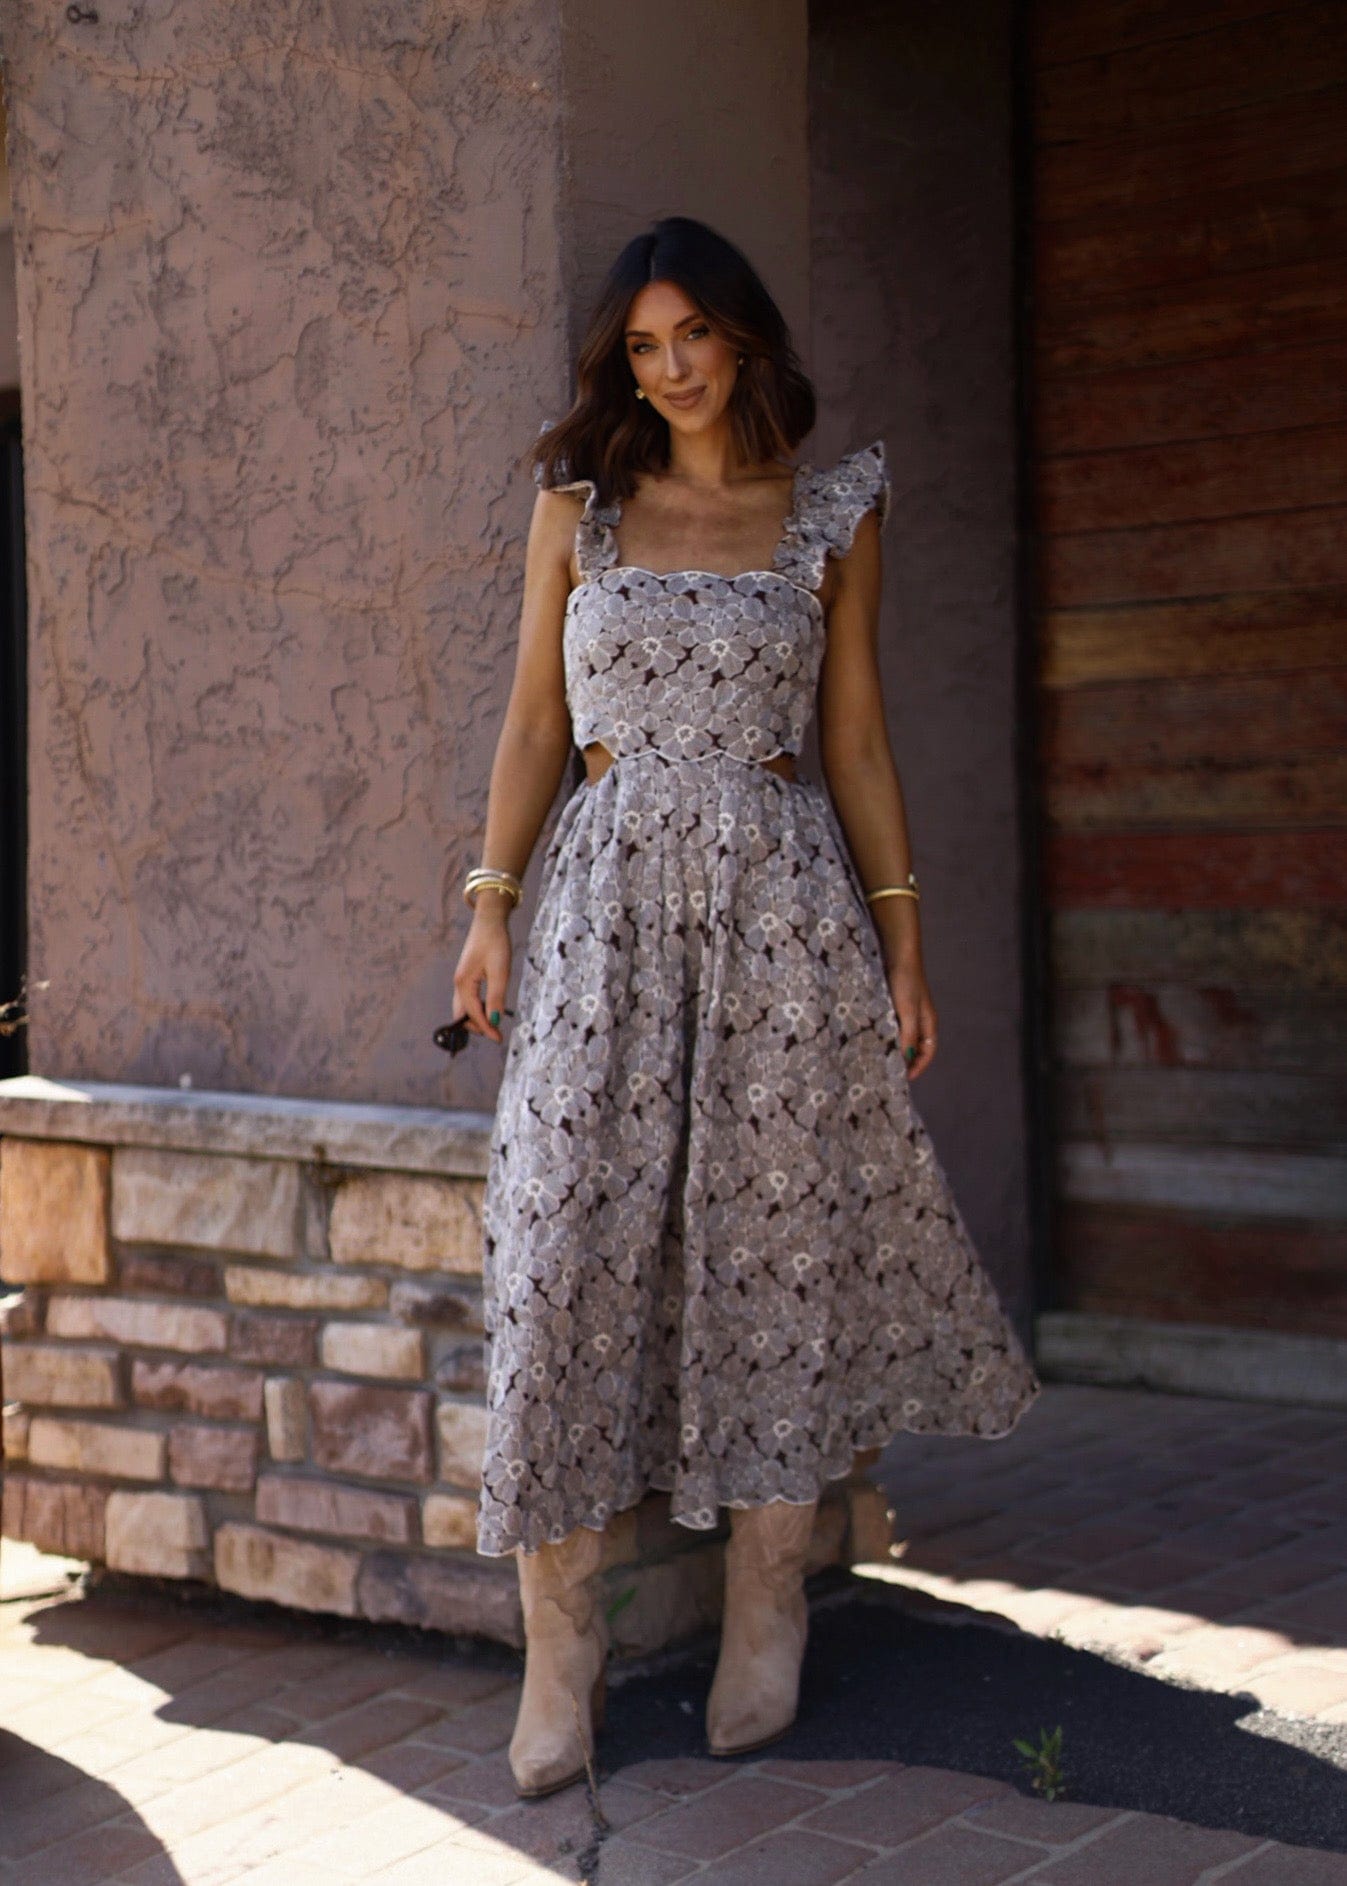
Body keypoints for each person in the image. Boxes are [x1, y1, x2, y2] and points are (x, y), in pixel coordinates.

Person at [449, 215, 1040, 1801]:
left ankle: (767, 1603)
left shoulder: (829, 517)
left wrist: (904, 943)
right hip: (601, 915)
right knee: (564, 1260)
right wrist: (490, 903)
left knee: (772, 1255)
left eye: (693, 335)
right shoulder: (576, 507)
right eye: (644, 347)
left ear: (744, 334)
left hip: (784, 916)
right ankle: (559, 1651)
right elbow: (532, 719)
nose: (672, 369)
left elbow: (856, 737)